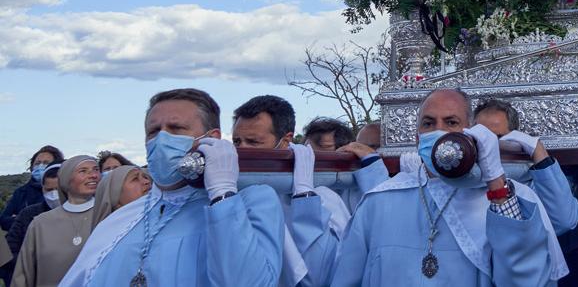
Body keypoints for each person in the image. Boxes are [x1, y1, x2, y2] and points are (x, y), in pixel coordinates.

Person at [331, 87, 568, 286]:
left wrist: (495, 180)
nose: (439, 132)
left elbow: (527, 280)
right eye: (428, 123)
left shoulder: (511, 197)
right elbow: (347, 278)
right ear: (417, 137)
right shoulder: (378, 200)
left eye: (451, 122)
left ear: (472, 133)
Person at [61, 88, 284, 287]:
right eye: (153, 131)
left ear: (212, 138)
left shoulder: (250, 201)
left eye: (176, 129)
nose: (161, 139)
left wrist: (223, 195)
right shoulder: (118, 221)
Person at [234, 94, 350, 287]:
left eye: (253, 142)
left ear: (286, 141)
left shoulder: (324, 199)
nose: (242, 151)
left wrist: (304, 198)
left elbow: (322, 276)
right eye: (237, 142)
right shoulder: (232, 193)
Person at [473, 97, 578, 235]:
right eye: (481, 137)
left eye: (496, 138)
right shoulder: (460, 179)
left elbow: (565, 220)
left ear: (514, 139)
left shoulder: (529, 185)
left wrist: (538, 150)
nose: (487, 146)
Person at [12, 155, 101, 286]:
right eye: (83, 171)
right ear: (66, 179)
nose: (93, 175)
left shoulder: (108, 215)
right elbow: (24, 273)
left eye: (95, 169)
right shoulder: (40, 223)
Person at [2, 165, 61, 286]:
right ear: (42, 189)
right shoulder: (28, 214)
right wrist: (32, 265)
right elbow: (7, 252)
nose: (54, 195)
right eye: (49, 190)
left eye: (58, 189)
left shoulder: (85, 214)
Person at [1, 147, 63, 231]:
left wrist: (19, 219)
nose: (40, 166)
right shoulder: (20, 192)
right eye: (37, 163)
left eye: (46, 163)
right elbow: (4, 221)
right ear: (31, 167)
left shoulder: (64, 190)